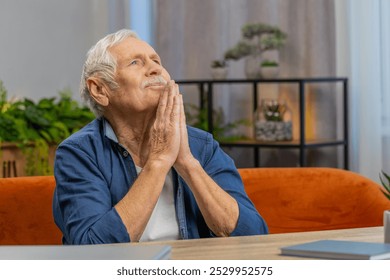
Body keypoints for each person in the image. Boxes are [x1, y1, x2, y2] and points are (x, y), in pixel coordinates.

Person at [52, 29, 268, 244]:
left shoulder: (202, 146)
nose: (155, 69)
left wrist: (187, 163)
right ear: (100, 90)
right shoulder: (79, 154)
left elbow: (254, 237)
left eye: (156, 61)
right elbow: (93, 250)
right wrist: (159, 161)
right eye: (135, 63)